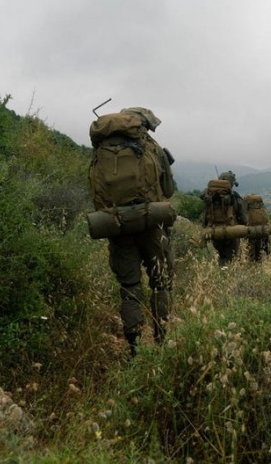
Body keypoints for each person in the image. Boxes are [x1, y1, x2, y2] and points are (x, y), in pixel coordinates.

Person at [95, 107, 175, 357]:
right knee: (161, 283)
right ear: (144, 125)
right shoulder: (152, 147)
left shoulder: (102, 148)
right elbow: (169, 189)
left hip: (117, 225)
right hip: (152, 225)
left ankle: (135, 349)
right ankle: (162, 341)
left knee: (130, 288)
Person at [202, 170, 247, 265]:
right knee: (232, 259)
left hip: (214, 231)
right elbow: (243, 219)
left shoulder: (209, 196)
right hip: (232, 232)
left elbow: (205, 216)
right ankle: (229, 276)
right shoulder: (235, 197)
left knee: (220, 257)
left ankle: (220, 275)